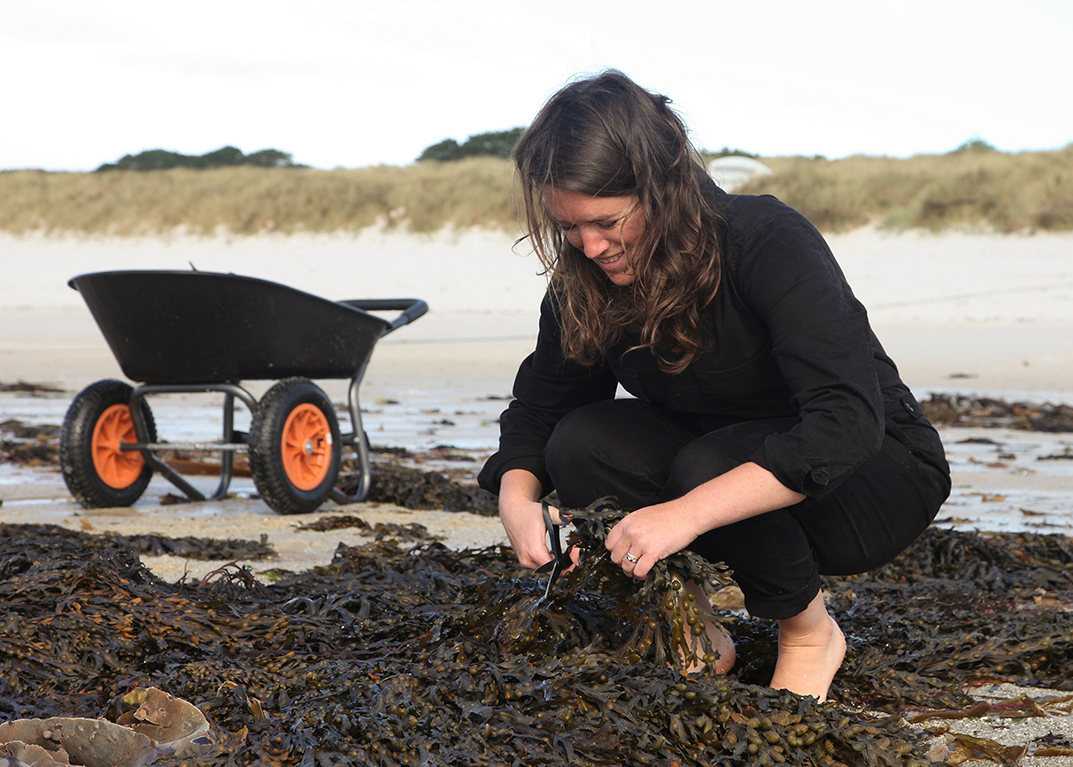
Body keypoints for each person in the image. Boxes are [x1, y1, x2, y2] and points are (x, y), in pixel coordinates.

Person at [477, 70, 951, 702]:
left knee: (707, 465)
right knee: (583, 441)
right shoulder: (585, 278)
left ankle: (810, 634)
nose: (589, 247)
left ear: (662, 185)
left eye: (607, 222)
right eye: (569, 227)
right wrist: (516, 499)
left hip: (875, 476)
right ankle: (696, 631)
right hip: (716, 458)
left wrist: (685, 515)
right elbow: (545, 404)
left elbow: (845, 422)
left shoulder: (765, 240)